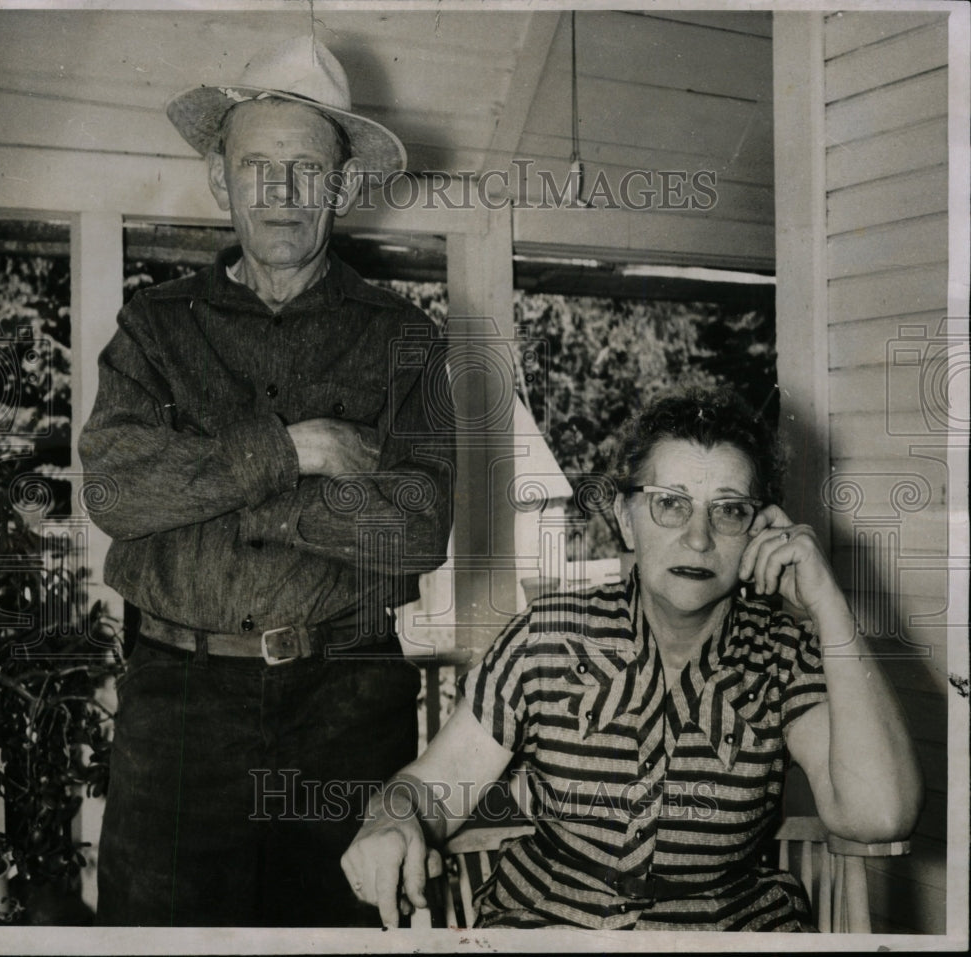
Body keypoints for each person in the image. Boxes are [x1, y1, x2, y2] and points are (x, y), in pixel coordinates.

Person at [79, 34, 455, 927]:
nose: (280, 194)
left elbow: (418, 525)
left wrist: (225, 480)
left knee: (340, 934)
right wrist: (301, 446)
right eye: (257, 167)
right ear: (221, 179)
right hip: (175, 709)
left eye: (305, 170)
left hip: (347, 705)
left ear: (345, 186)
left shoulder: (406, 336)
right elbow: (115, 493)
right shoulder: (153, 330)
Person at [341, 385, 922, 931]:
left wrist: (829, 609)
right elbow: (431, 789)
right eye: (670, 504)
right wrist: (391, 818)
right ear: (624, 518)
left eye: (728, 510)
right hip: (550, 931)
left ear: (759, 527)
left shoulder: (781, 656)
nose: (698, 538)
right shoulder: (550, 638)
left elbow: (880, 817)